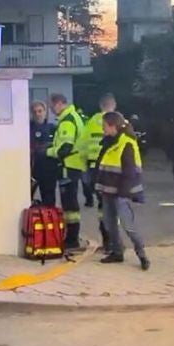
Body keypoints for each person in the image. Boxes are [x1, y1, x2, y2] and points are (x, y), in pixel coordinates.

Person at [95, 112, 150, 271]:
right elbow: (102, 165)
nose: (102, 129)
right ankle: (117, 252)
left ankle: (142, 255)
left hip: (120, 193)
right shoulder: (108, 142)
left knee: (128, 226)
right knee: (109, 223)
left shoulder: (126, 143)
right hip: (108, 190)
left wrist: (123, 193)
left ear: (113, 126)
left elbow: (129, 172)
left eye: (104, 126)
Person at [47, 93, 86, 251]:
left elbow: (65, 148)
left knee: (69, 204)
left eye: (51, 106)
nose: (50, 109)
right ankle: (72, 237)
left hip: (68, 165)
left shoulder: (67, 121)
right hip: (74, 165)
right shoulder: (73, 116)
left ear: (58, 103)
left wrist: (47, 151)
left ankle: (71, 239)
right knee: (71, 203)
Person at [80, 93, 117, 249]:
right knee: (113, 205)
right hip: (115, 170)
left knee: (102, 204)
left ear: (100, 105)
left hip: (95, 167)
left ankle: (107, 240)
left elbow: (81, 145)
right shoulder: (120, 121)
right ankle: (114, 241)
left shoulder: (91, 122)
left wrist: (84, 165)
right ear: (114, 105)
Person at [30, 101, 57, 206]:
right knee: (27, 197)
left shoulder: (53, 129)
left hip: (48, 169)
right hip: (32, 168)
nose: (37, 114)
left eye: (40, 111)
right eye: (35, 111)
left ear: (45, 112)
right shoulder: (27, 128)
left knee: (49, 199)